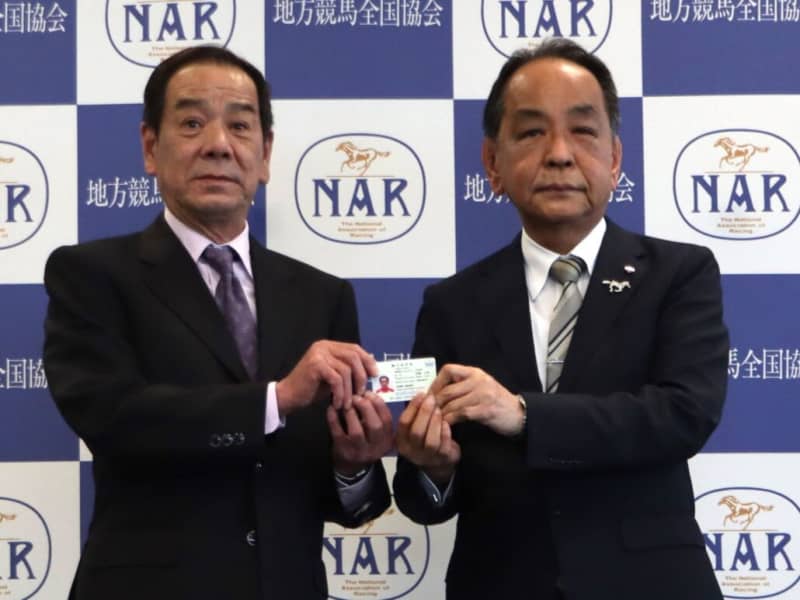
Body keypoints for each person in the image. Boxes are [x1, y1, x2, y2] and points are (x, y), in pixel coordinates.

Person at [43, 46, 393, 600]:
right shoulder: (92, 275)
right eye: (191, 123)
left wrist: (353, 464)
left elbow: (332, 498)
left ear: (265, 154)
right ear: (150, 147)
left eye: (240, 125)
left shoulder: (322, 297)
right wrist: (277, 399)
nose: (218, 144)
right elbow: (113, 417)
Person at [393, 38, 728, 600]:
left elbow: (683, 416)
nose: (559, 154)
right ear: (492, 164)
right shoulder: (452, 303)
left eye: (582, 130)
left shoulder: (679, 274)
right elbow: (421, 497)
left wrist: (523, 415)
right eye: (531, 132)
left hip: (650, 584)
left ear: (614, 160)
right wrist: (435, 467)